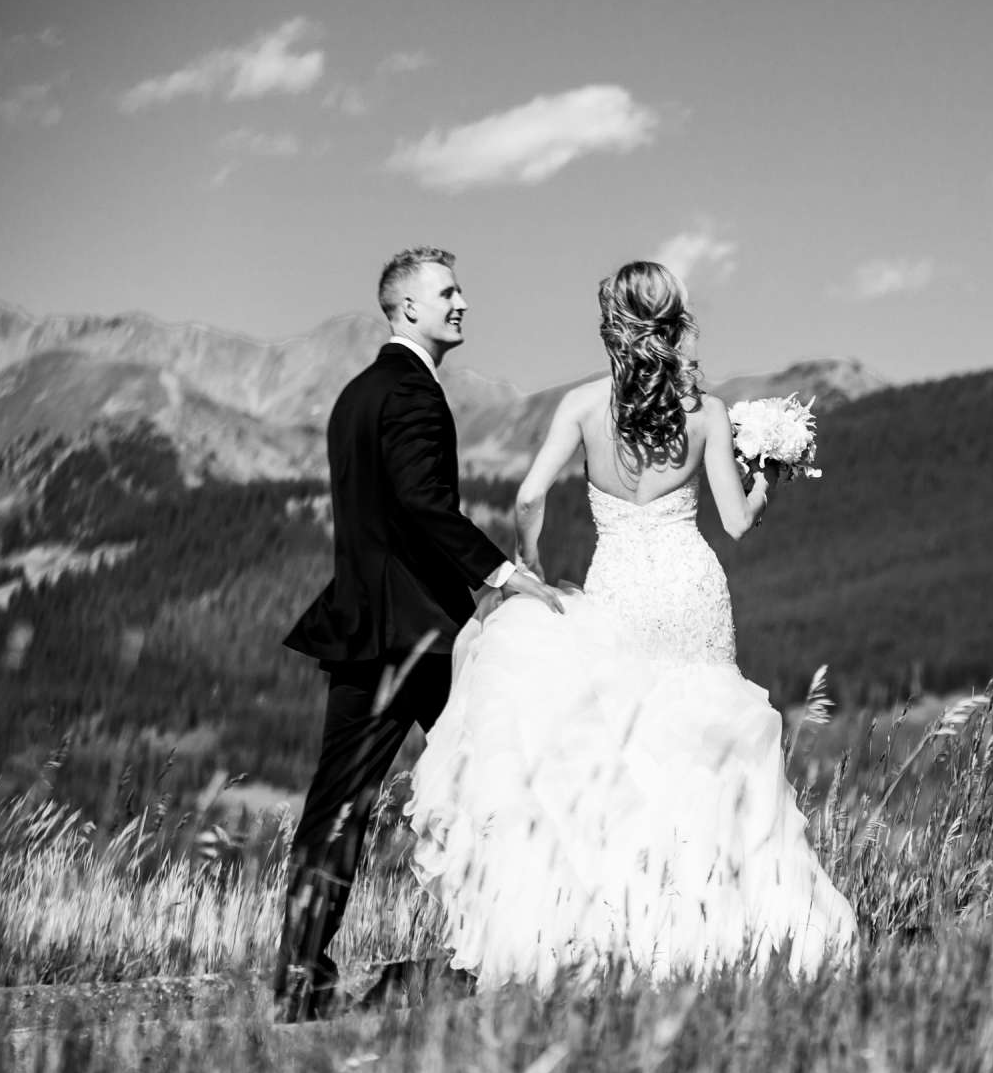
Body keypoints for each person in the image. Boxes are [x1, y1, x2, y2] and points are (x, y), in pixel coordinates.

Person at [403, 260, 856, 986]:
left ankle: (635, 927)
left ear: (613, 326)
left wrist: (532, 566)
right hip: (689, 584)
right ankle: (734, 924)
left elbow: (527, 495)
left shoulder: (583, 406)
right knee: (713, 745)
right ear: (670, 325)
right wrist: (767, 473)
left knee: (629, 754)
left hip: (619, 586)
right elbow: (737, 524)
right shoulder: (705, 413)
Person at [275, 247, 568, 1023]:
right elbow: (420, 507)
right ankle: (528, 946)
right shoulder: (412, 395)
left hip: (365, 627)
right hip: (419, 638)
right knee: (498, 782)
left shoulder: (356, 395)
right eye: (447, 292)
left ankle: (301, 976)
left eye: (460, 288)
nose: (463, 301)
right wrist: (506, 578)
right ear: (406, 307)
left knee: (340, 805)